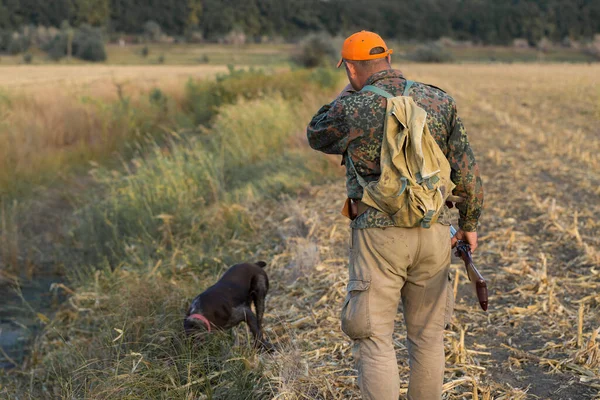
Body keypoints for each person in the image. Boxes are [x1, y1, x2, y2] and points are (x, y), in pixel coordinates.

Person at [306, 31, 484, 400]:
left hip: (379, 237)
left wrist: (347, 92)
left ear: (351, 68)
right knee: (428, 339)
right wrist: (468, 225)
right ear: (389, 58)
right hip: (434, 232)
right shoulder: (438, 99)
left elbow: (316, 133)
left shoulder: (352, 108)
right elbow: (466, 171)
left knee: (373, 338)